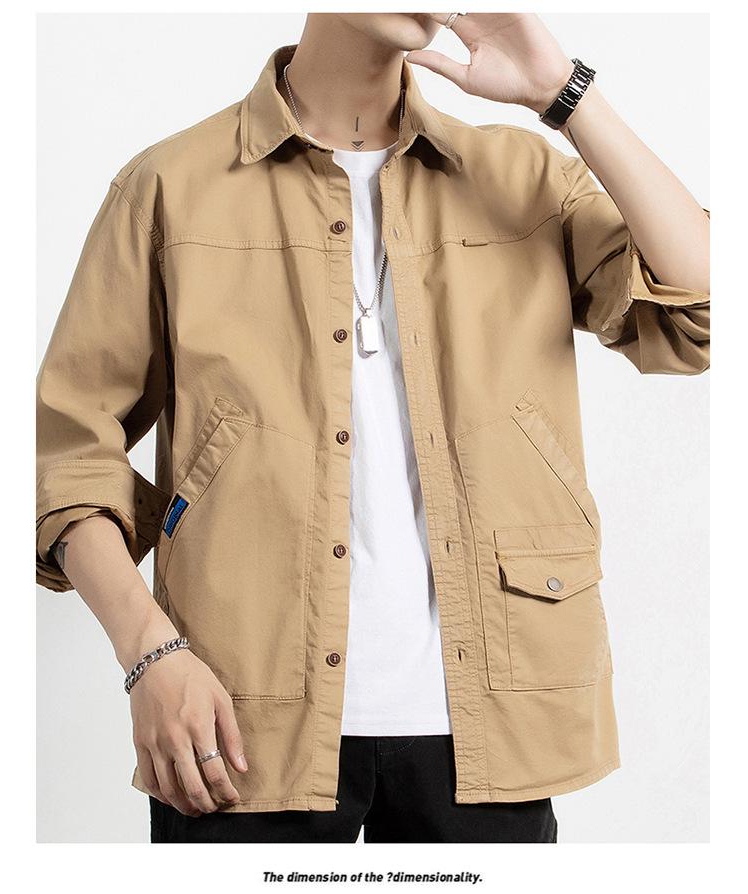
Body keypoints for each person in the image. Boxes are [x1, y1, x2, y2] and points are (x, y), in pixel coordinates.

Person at [35, 13, 709, 844]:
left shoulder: (525, 178)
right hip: (235, 724)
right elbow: (65, 451)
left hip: (490, 720)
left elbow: (703, 309)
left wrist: (563, 95)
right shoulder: (170, 186)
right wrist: (148, 655)